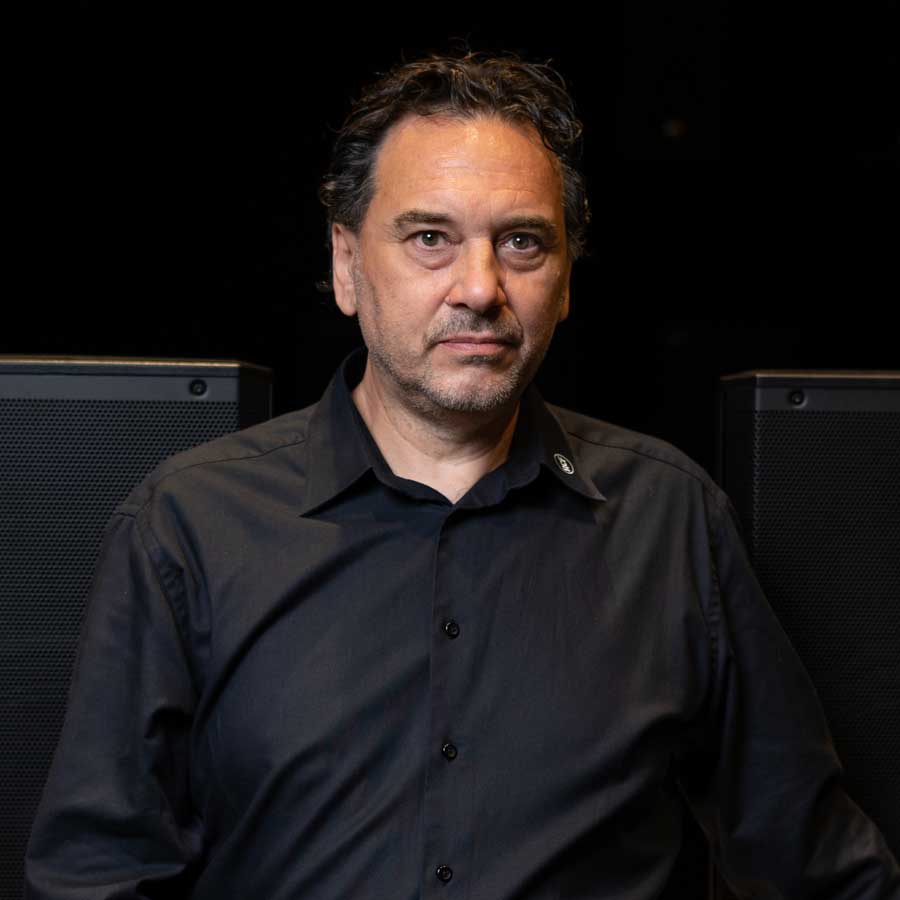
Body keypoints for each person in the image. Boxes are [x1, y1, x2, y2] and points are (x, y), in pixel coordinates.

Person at [25, 51, 899, 900]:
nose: (480, 288)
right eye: (430, 238)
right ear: (346, 265)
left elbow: (814, 860)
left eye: (522, 242)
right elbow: (95, 875)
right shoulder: (187, 527)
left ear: (564, 282)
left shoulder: (672, 521)